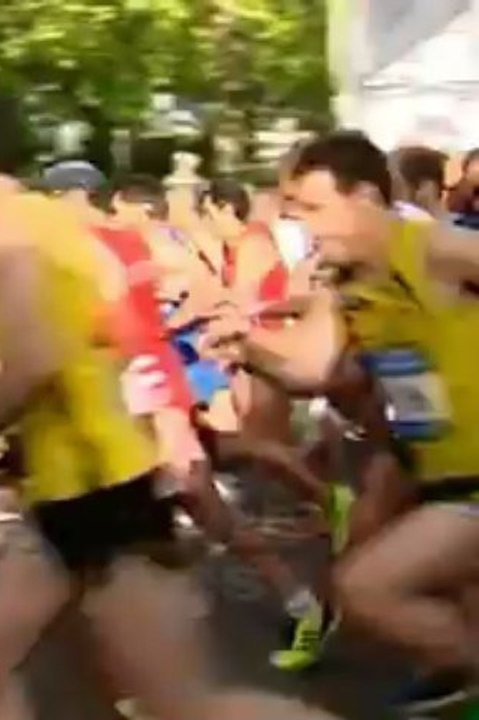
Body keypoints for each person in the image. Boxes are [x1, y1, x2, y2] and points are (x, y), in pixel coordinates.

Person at [0, 90, 333, 720]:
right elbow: (84, 344)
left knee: (183, 705)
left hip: (105, 494)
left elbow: (38, 365)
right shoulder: (32, 225)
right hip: (63, 491)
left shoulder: (11, 237)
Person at [206, 130, 479, 715]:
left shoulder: (437, 250)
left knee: (366, 587)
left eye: (313, 208)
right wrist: (243, 344)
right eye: (294, 212)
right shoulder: (343, 285)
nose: (304, 227)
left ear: (365, 198)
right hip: (433, 475)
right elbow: (311, 370)